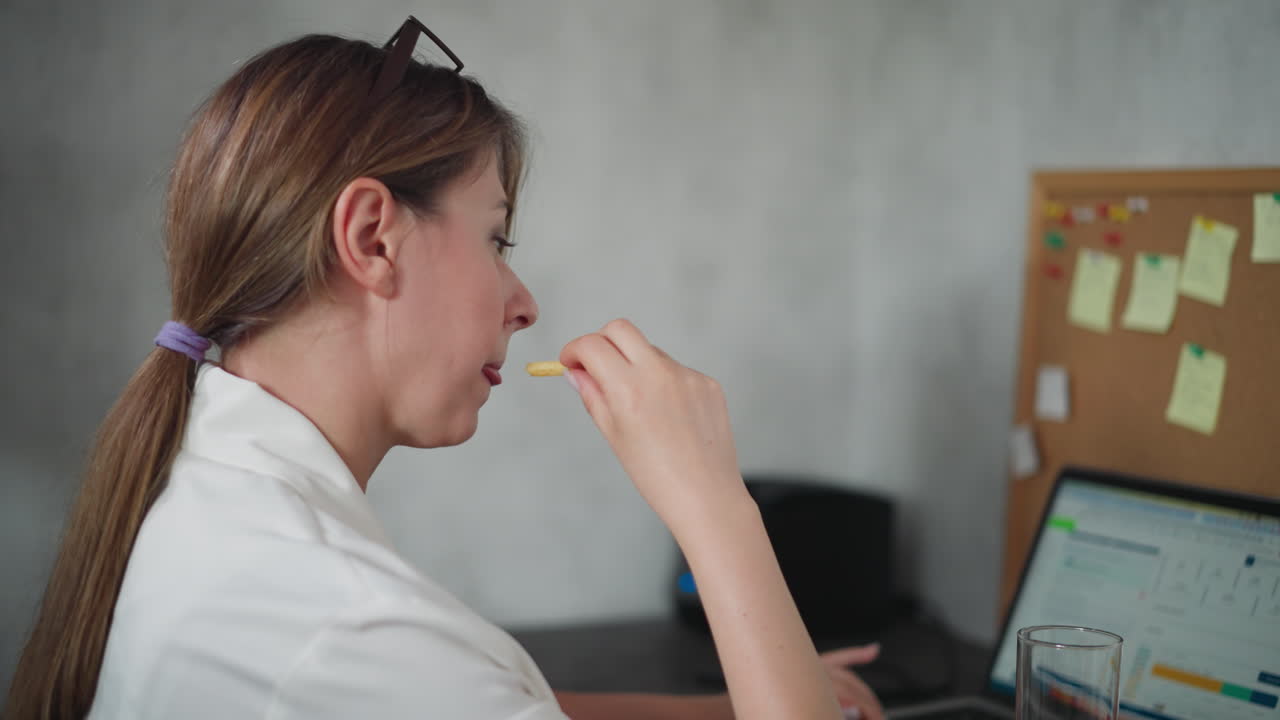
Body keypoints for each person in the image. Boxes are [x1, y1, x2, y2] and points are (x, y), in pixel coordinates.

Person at [4, 19, 885, 720]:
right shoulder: (346, 626)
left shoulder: (210, 474)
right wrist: (714, 507)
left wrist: (731, 708)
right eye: (496, 237)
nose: (524, 301)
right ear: (371, 238)